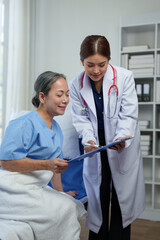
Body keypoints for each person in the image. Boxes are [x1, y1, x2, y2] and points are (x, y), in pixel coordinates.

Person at [69, 35, 145, 240]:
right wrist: (88, 140)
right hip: (96, 148)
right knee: (98, 198)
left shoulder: (124, 77)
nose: (95, 71)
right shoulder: (76, 84)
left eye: (101, 64)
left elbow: (128, 115)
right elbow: (80, 119)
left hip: (120, 147)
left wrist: (121, 138)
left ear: (109, 60)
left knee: (121, 201)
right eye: (89, 65)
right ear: (82, 62)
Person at [0, 71, 86, 240]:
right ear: (42, 96)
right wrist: (46, 164)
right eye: (59, 94)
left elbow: (56, 166)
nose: (65, 100)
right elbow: (6, 162)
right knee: (63, 211)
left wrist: (60, 192)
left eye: (67, 95)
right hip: (11, 188)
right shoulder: (22, 124)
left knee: (68, 205)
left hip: (34, 187)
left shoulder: (56, 129)